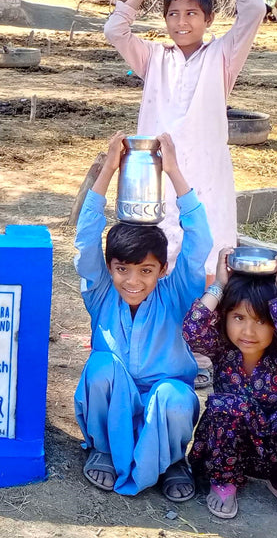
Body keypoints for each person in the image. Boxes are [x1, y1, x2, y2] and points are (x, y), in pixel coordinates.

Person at [104, 0, 266, 282]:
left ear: (208, 19)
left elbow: (254, 10)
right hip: (157, 175)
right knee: (157, 255)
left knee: (206, 259)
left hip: (205, 171)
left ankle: (201, 327)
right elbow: (114, 29)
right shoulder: (153, 57)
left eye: (192, 13)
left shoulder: (222, 56)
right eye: (173, 14)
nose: (181, 22)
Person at [73, 130, 211, 502]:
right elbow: (86, 239)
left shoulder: (176, 294)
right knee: (101, 367)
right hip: (115, 398)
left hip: (163, 406)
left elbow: (200, 243)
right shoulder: (101, 292)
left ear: (163, 269)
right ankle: (103, 447)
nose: (132, 281)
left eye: (145, 271)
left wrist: (174, 173)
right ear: (110, 267)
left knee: (176, 396)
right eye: (122, 270)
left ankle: (172, 462)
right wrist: (108, 169)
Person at [182, 249, 277, 527]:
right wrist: (219, 284)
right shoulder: (223, 351)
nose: (248, 332)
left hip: (272, 453)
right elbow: (192, 330)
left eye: (261, 321)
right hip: (226, 452)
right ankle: (225, 482)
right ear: (225, 318)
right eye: (238, 318)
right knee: (227, 408)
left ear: (276, 326)